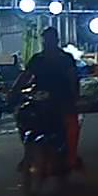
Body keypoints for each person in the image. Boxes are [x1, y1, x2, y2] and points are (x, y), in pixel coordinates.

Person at [12, 27, 82, 170]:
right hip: (41, 99)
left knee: (71, 126)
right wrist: (14, 91)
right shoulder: (37, 59)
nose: (46, 43)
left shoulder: (65, 58)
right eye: (45, 40)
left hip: (62, 99)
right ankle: (28, 153)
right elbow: (25, 76)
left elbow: (73, 78)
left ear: (56, 41)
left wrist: (75, 97)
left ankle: (71, 157)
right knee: (24, 118)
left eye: (49, 40)